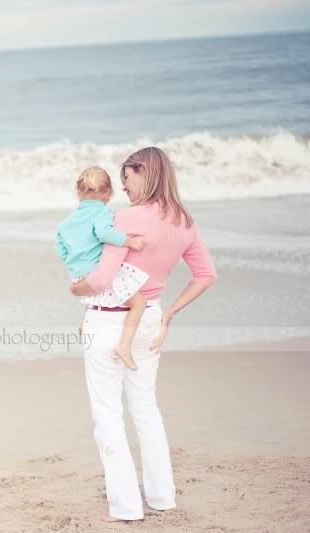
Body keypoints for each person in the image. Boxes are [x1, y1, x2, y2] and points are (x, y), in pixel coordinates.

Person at [69, 147, 217, 523]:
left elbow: (103, 278)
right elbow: (206, 275)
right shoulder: (184, 222)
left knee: (108, 415)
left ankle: (126, 508)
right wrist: (168, 312)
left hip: (108, 322)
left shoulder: (126, 217)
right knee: (146, 409)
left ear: (144, 173)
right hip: (149, 318)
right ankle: (163, 497)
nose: (124, 186)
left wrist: (77, 291)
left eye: (128, 177)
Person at [56, 165, 148, 371]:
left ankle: (86, 321)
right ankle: (124, 346)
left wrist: (77, 263)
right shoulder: (102, 212)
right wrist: (128, 241)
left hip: (77, 274)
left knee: (94, 296)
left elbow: (62, 252)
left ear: (78, 193)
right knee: (139, 303)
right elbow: (104, 234)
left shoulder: (65, 223)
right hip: (99, 270)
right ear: (109, 193)